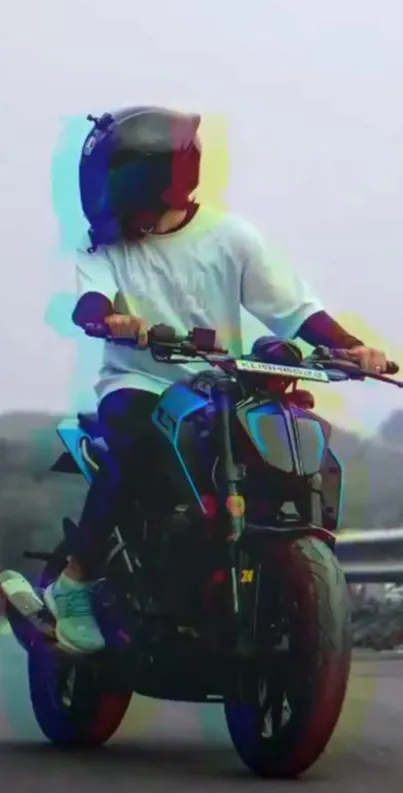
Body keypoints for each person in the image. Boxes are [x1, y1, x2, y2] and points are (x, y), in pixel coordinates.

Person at [43, 105, 389, 654]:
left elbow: (295, 311)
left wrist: (352, 349)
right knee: (131, 450)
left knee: (286, 441)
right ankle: (76, 582)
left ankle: (256, 567)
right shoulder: (104, 246)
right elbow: (90, 302)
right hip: (139, 381)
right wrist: (110, 320)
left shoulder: (232, 238)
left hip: (218, 384)